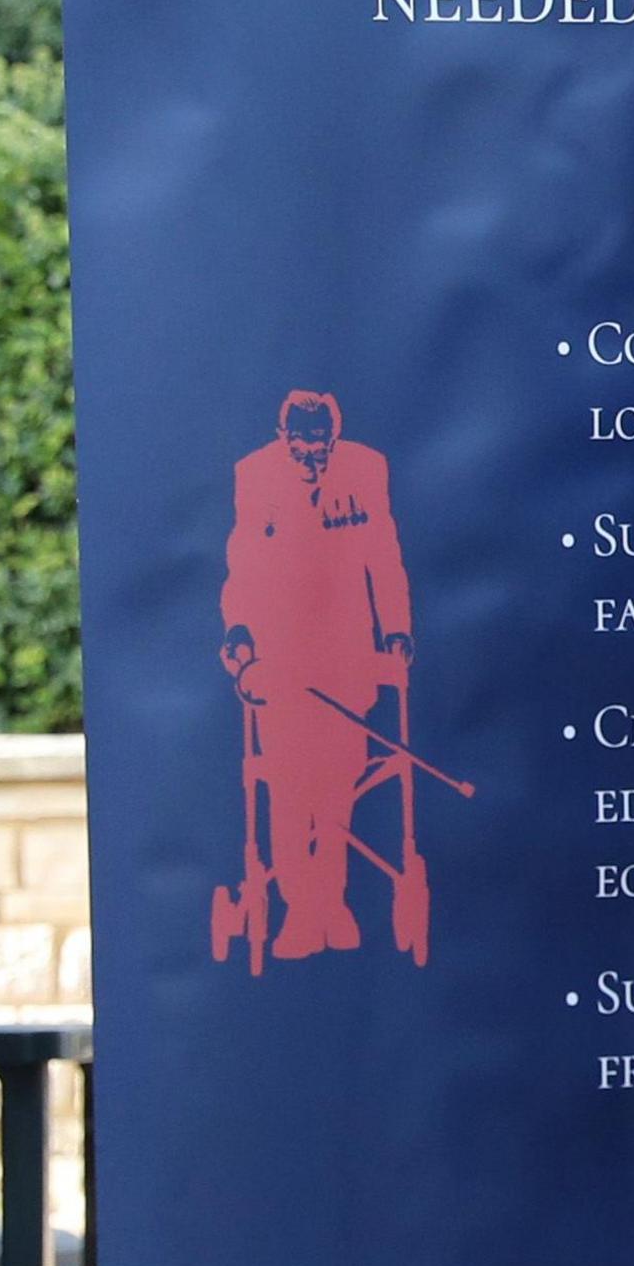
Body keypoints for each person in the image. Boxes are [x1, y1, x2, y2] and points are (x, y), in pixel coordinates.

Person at [220, 388, 413, 959]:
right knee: (287, 780)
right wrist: (239, 634)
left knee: (339, 776)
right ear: (284, 440)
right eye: (302, 451)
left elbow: (384, 553)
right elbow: (242, 562)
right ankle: (302, 912)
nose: (313, 461)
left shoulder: (366, 468)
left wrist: (396, 630)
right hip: (280, 658)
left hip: (347, 652)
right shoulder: (253, 475)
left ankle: (332, 901)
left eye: (321, 449)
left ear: (336, 436)